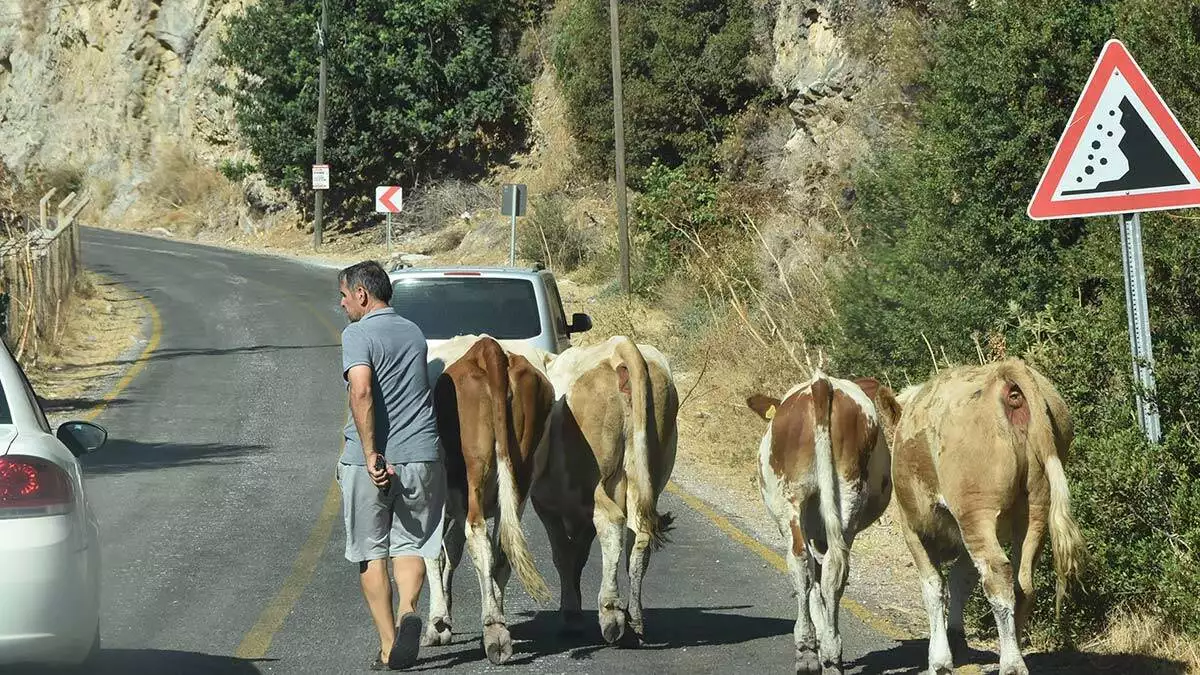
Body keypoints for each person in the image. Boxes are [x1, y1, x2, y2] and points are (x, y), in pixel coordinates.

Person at [335, 260, 445, 671]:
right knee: (411, 543)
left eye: (344, 297)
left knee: (371, 551)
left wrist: (369, 454)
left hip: (373, 462)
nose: (343, 306)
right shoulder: (414, 333)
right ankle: (409, 610)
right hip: (422, 456)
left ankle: (387, 646)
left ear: (362, 295)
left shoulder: (357, 333)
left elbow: (361, 391)